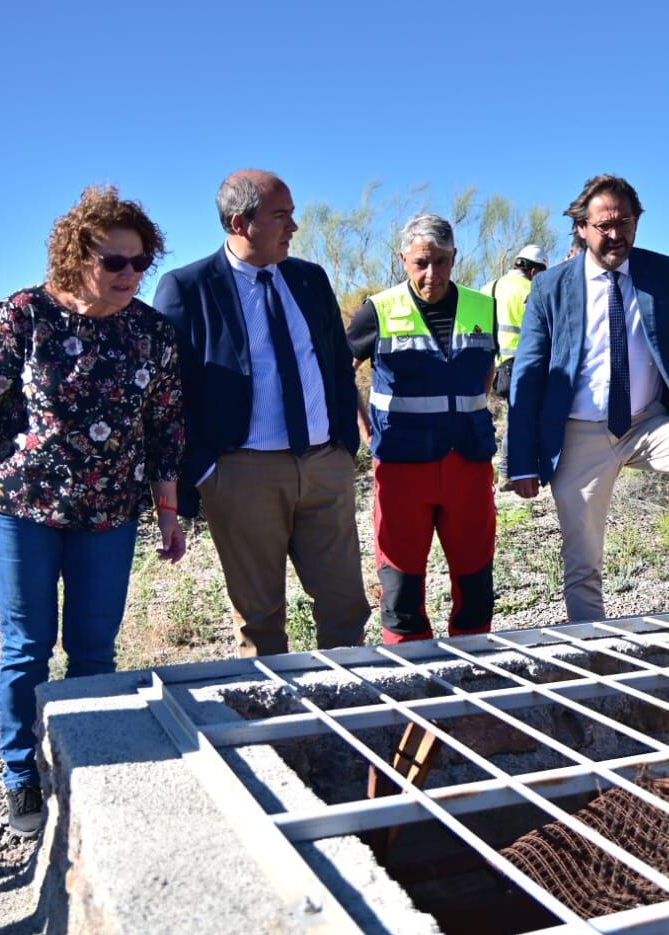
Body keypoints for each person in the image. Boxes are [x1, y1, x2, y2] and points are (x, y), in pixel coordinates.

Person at [0, 186, 185, 838]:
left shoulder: (152, 334)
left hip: (109, 514)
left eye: (139, 263)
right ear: (78, 257)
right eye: (114, 263)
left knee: (93, 651)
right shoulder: (24, 315)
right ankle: (21, 775)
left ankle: (88, 765)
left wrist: (167, 510)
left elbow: (164, 427)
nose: (130, 275)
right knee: (27, 648)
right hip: (22, 508)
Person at [508, 174, 669, 621]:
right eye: (604, 225)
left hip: (646, 424)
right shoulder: (552, 287)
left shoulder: (659, 273)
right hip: (578, 434)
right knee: (582, 560)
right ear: (582, 227)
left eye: (625, 222)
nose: (615, 234)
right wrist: (521, 459)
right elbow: (528, 374)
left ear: (637, 223)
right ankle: (593, 647)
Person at [154, 170, 369, 656]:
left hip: (324, 468)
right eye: (281, 216)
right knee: (260, 618)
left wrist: (342, 447)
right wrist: (208, 471)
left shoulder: (310, 279)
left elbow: (336, 364)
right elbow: (171, 393)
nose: (293, 226)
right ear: (240, 223)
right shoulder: (187, 289)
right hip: (242, 475)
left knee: (346, 606)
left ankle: (349, 713)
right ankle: (277, 724)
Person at [346, 215, 497, 642]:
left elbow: (487, 368)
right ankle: (413, 693)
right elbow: (339, 371)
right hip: (401, 468)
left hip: (467, 464)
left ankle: (475, 681)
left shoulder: (482, 307)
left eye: (442, 262)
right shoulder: (379, 310)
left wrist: (469, 407)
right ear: (403, 260)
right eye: (421, 263)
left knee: (476, 587)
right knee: (402, 594)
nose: (432, 274)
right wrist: (364, 428)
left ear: (455, 258)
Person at [488, 244, 548, 399]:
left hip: (493, 370)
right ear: (534, 272)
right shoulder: (533, 290)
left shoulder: (489, 287)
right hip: (525, 366)